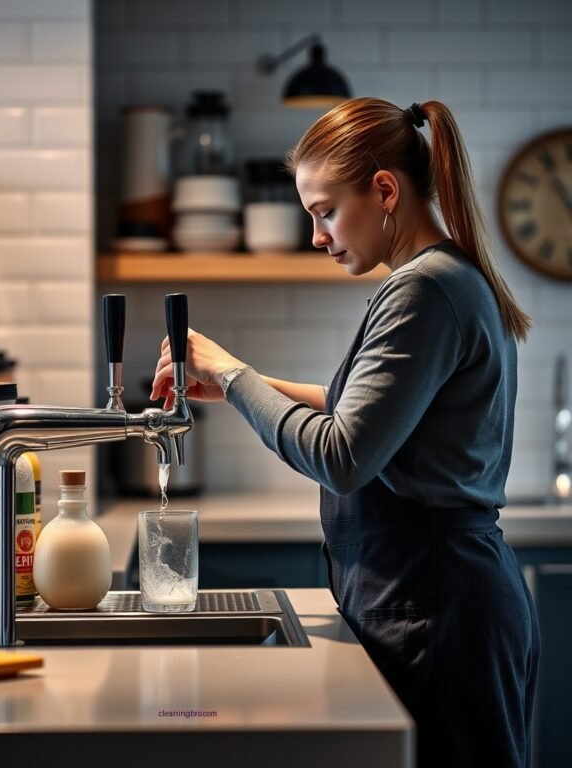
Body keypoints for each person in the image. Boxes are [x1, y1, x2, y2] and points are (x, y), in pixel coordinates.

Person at [150, 98, 540, 768]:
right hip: (439, 602)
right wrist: (240, 383)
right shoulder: (445, 279)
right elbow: (361, 408)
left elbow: (344, 454)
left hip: (436, 608)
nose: (316, 236)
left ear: (384, 191)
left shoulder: (425, 289)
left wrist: (234, 376)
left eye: (325, 211)